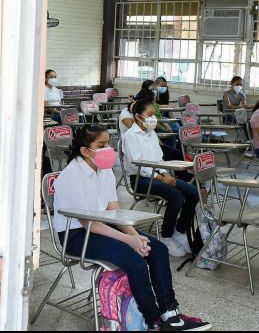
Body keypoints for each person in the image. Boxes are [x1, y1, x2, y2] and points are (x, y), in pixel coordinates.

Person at [53, 124, 211, 332]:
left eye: (109, 143)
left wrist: (137, 237)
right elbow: (87, 223)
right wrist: (129, 241)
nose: (108, 149)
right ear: (85, 150)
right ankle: (154, 321)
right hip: (76, 236)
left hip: (101, 224)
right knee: (133, 259)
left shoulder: (104, 170)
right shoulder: (72, 176)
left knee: (157, 249)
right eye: (101, 145)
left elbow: (114, 212)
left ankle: (170, 314)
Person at [122, 100, 199, 257]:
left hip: (157, 175)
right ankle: (166, 236)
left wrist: (164, 173)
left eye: (154, 115)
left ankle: (180, 231)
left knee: (193, 193)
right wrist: (159, 177)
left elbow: (159, 159)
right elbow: (137, 164)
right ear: (138, 116)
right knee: (176, 196)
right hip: (140, 179)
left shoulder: (151, 134)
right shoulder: (130, 136)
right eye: (150, 115)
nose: (153, 118)